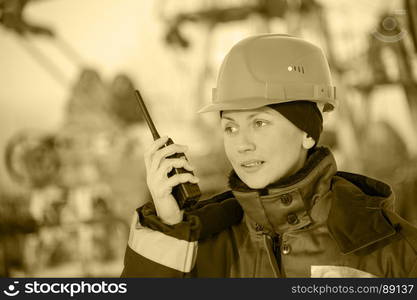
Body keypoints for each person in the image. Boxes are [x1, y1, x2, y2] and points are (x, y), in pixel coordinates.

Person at [121, 34, 417, 278]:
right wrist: (168, 226)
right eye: (230, 127)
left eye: (259, 123)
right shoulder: (202, 247)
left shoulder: (388, 247)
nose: (241, 144)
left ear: (308, 133)